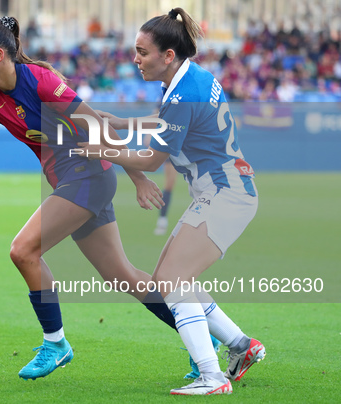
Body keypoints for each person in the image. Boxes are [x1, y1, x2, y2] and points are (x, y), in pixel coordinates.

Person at [0, 16, 196, 382]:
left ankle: (56, 343)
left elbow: (97, 125)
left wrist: (138, 177)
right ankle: (200, 338)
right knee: (122, 275)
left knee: (23, 249)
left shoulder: (42, 82)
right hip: (71, 182)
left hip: (88, 176)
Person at [75, 8, 265, 395]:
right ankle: (242, 346)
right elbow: (170, 122)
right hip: (226, 191)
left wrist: (103, 151)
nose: (135, 59)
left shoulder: (184, 91)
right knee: (172, 279)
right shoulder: (188, 79)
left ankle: (212, 378)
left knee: (172, 280)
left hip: (226, 194)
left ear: (167, 56)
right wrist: (125, 124)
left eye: (142, 52)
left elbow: (153, 158)